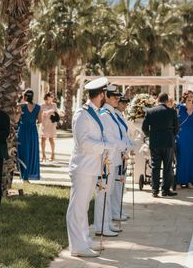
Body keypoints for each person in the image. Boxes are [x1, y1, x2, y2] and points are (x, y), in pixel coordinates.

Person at [67, 77, 110, 258]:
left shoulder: (92, 112)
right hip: (83, 166)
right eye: (105, 93)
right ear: (100, 94)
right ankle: (77, 246)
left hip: (91, 166)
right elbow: (83, 142)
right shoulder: (82, 114)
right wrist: (104, 146)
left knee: (83, 207)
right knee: (77, 207)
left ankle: (84, 239)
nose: (106, 96)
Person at [93, 85, 127, 236]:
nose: (117, 100)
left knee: (108, 192)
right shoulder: (105, 114)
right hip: (107, 158)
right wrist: (125, 145)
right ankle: (101, 226)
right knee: (103, 193)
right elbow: (110, 139)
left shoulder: (111, 113)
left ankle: (106, 223)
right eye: (114, 97)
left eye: (118, 97)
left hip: (113, 158)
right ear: (106, 97)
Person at [142, 92, 180, 197]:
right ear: (167, 100)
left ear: (158, 100)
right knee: (168, 167)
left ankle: (155, 190)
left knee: (155, 167)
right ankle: (165, 190)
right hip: (168, 142)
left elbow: (144, 128)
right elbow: (177, 128)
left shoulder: (150, 111)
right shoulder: (172, 112)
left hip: (155, 143)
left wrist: (151, 136)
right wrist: (171, 136)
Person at [110, 94, 135, 221]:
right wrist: (127, 146)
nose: (124, 106)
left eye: (126, 103)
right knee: (117, 184)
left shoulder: (120, 116)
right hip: (118, 153)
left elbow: (124, 135)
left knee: (120, 184)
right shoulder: (113, 115)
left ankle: (118, 210)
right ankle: (115, 211)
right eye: (122, 103)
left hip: (122, 153)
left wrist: (131, 144)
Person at [176, 90, 193, 188]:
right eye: (188, 95)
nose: (190, 97)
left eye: (192, 96)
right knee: (181, 156)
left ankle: (190, 181)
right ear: (185, 97)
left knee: (192, 157)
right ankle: (179, 181)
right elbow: (175, 121)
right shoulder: (179, 107)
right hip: (181, 135)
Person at [16, 88, 42, 181]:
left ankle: (24, 175)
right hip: (33, 131)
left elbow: (16, 120)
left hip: (23, 130)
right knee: (31, 151)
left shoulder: (21, 106)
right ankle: (28, 175)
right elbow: (40, 121)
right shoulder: (38, 107)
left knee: (23, 152)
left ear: (25, 96)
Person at [40, 92, 59, 162]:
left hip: (51, 124)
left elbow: (56, 113)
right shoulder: (42, 105)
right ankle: (43, 155)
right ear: (47, 97)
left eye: (52, 97)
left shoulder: (54, 105)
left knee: (51, 139)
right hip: (44, 124)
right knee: (43, 140)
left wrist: (50, 111)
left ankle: (53, 154)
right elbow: (40, 114)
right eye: (50, 96)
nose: (52, 98)